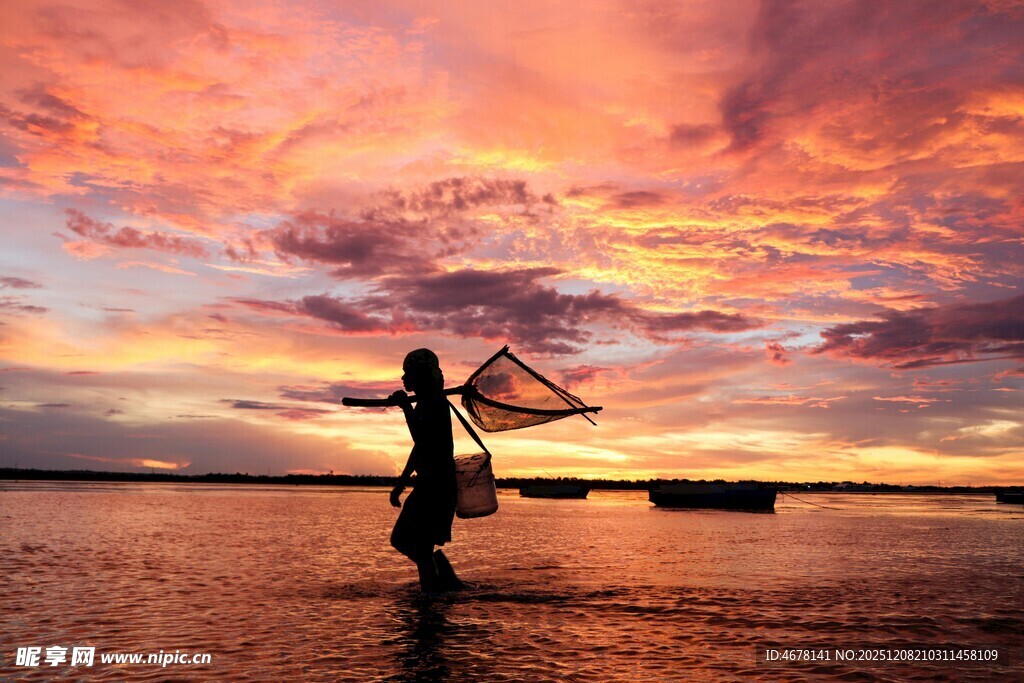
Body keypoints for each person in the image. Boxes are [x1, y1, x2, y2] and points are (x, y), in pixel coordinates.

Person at [389, 349, 465, 593]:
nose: (403, 378)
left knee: (416, 546)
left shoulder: (435, 402)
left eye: (407, 373)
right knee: (404, 541)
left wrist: (404, 408)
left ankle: (431, 597)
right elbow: (419, 449)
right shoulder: (426, 401)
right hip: (428, 485)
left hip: (437, 487)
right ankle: (438, 579)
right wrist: (401, 483)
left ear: (421, 375)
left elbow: (422, 438)